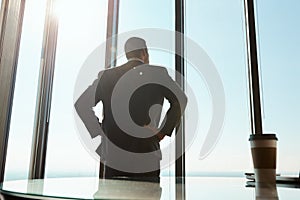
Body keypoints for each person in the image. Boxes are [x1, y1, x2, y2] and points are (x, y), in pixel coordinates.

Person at [75, 37, 187, 182]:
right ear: (144, 52)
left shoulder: (107, 76)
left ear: (127, 53)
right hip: (146, 153)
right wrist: (162, 132)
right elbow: (181, 100)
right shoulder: (158, 73)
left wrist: (100, 131)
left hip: (112, 155)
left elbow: (81, 104)